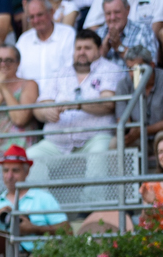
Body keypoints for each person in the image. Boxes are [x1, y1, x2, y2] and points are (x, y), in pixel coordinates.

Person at [29, 31, 120, 161]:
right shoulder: (61, 73)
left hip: (95, 139)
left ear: (100, 50)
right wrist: (46, 112)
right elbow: (38, 107)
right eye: (78, 48)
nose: (82, 52)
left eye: (87, 48)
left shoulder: (109, 69)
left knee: (98, 154)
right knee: (29, 158)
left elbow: (108, 104)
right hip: (56, 144)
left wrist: (79, 105)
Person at [0, 145, 68, 250]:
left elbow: (67, 230)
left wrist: (34, 228)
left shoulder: (43, 198)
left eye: (15, 171)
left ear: (27, 172)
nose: (9, 176)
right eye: (6, 170)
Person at [115, 46, 163, 151]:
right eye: (130, 69)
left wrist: (141, 131)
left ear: (151, 65)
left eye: (139, 68)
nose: (134, 74)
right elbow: (123, 121)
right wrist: (129, 133)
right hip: (138, 135)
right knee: (115, 143)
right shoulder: (123, 85)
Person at [15, 0, 75, 99]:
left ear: (51, 12)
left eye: (40, 15)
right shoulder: (24, 40)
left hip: (61, 101)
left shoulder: (67, 34)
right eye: (31, 17)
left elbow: (71, 70)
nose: (36, 20)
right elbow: (17, 74)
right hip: (30, 104)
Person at [97, 0, 158, 67]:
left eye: (117, 12)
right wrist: (103, 51)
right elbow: (87, 70)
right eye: (108, 14)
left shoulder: (143, 30)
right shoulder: (98, 33)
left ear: (128, 10)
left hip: (134, 78)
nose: (112, 17)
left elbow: (150, 64)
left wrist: (120, 47)